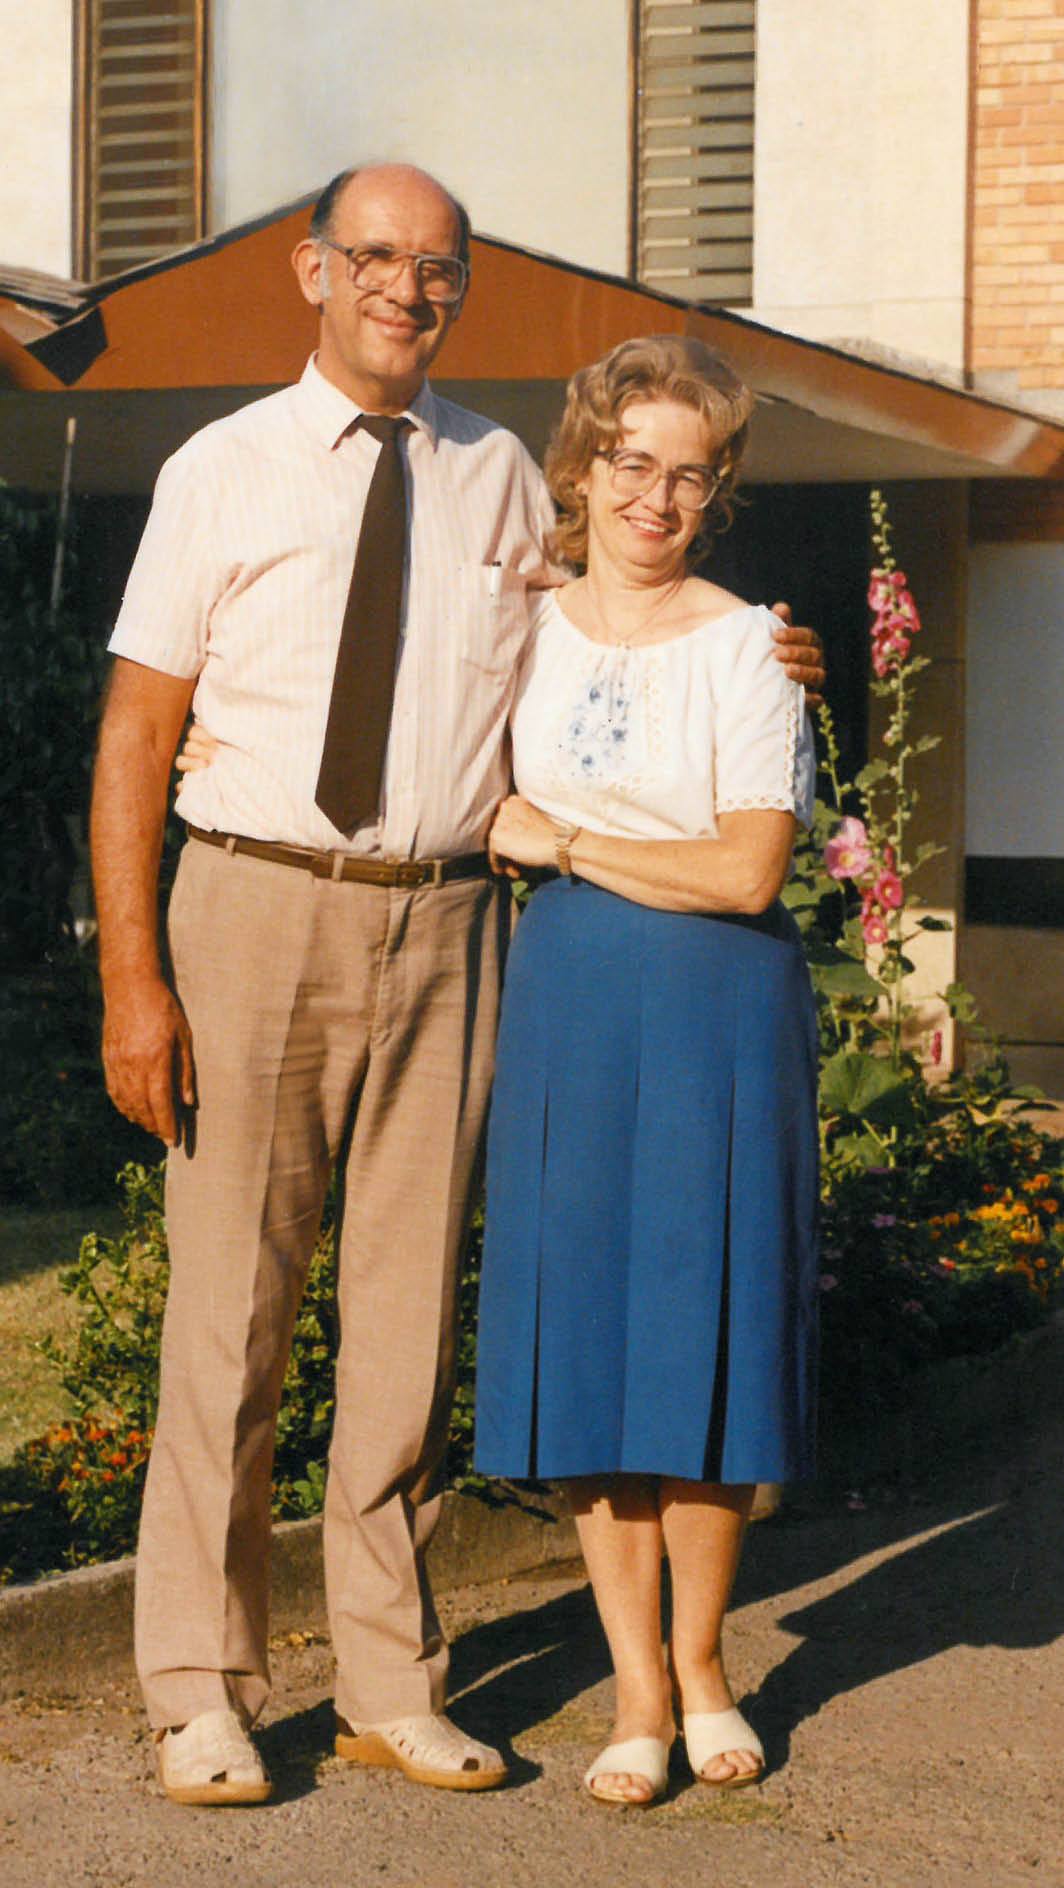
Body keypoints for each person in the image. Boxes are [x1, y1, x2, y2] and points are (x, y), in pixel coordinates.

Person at [90, 162, 824, 1807]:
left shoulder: (504, 479)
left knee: (410, 1323)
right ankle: (202, 1688)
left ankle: (386, 1679)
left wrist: (777, 651)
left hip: (448, 924)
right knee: (232, 1324)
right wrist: (138, 978)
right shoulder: (221, 470)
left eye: (436, 268)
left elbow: (629, 614)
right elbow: (139, 734)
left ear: (460, 291)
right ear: (310, 273)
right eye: (374, 260)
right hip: (260, 904)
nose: (404, 291)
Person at [474, 334, 820, 1809]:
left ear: (716, 489)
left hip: (715, 1013)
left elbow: (748, 872)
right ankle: (632, 1690)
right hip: (569, 1004)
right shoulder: (520, 621)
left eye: (690, 473)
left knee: (705, 1338)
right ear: (587, 465)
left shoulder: (750, 646)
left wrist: (558, 840)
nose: (657, 498)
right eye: (633, 464)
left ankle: (705, 1668)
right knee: (593, 1348)